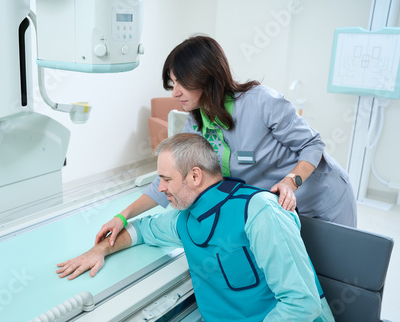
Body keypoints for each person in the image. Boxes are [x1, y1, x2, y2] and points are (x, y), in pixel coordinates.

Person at [57, 133, 338, 322]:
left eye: (166, 180)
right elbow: (142, 230)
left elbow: (301, 303)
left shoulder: (260, 211)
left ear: (194, 176)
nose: (162, 188)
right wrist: (100, 249)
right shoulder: (186, 219)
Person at [96, 35, 356, 247]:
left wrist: (290, 182)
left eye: (181, 83)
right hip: (281, 210)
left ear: (204, 76)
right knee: (303, 272)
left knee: (338, 273)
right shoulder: (195, 123)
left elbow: (312, 145)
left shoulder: (261, 102)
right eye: (172, 83)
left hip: (323, 197)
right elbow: (166, 179)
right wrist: (123, 216)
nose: (175, 92)